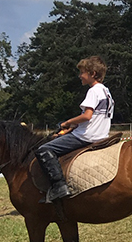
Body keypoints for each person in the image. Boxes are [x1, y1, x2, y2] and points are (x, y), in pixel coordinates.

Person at [34, 56, 115, 203]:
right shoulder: (106, 91)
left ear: (93, 73)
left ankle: (59, 186)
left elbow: (87, 116)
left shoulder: (93, 91)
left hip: (87, 136)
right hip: (102, 134)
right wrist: (72, 125)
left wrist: (68, 121)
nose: (80, 76)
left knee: (44, 150)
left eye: (82, 73)